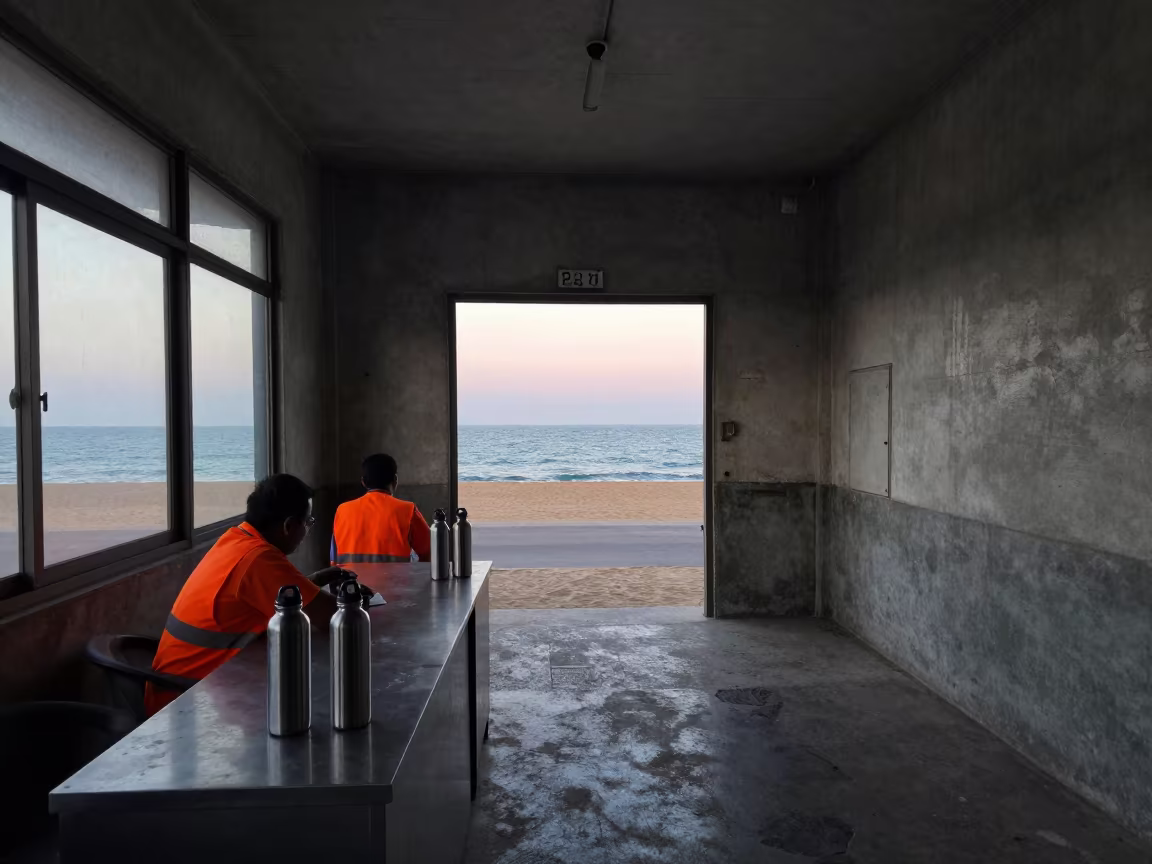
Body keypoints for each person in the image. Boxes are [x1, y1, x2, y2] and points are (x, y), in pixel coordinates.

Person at [145, 474, 347, 717]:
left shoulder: (236, 539)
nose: (307, 531)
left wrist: (315, 579)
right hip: (188, 703)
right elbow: (333, 618)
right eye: (308, 522)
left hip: (177, 687)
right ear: (288, 526)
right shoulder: (259, 559)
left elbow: (270, 593)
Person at [330, 453, 431, 565]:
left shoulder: (342, 511)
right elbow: (431, 552)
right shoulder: (408, 510)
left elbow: (334, 561)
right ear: (395, 480)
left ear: (363, 482)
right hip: (397, 582)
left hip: (350, 582)